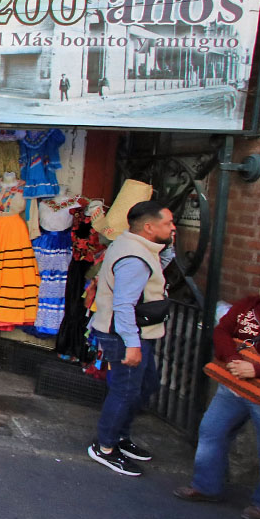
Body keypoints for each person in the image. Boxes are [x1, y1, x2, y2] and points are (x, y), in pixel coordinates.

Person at [174, 267, 260, 519]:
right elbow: (222, 331)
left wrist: (258, 369)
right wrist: (234, 358)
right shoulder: (249, 305)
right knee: (211, 432)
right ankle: (206, 486)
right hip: (232, 385)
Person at [86, 200, 175, 476]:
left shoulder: (138, 247)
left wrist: (169, 246)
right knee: (126, 390)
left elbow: (157, 268)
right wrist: (132, 344)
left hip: (132, 333)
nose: (173, 227)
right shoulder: (134, 257)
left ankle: (120, 436)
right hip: (124, 334)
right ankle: (105, 447)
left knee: (144, 385)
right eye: (167, 224)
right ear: (149, 227)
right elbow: (124, 304)